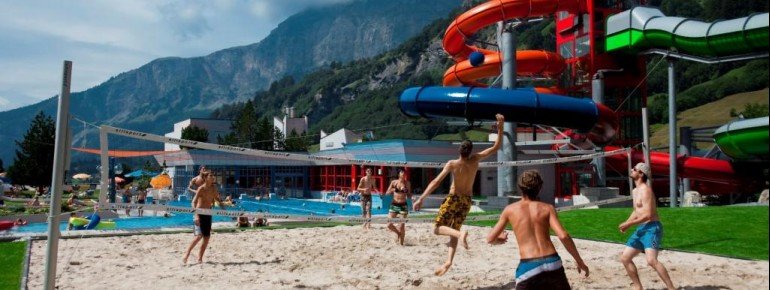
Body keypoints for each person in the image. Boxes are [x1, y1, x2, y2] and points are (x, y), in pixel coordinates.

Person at [413, 113, 505, 276]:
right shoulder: (475, 159)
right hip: (467, 200)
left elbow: (436, 182)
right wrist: (500, 127)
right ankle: (448, 262)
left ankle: (461, 234)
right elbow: (496, 147)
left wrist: (421, 198)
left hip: (454, 198)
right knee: (454, 230)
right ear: (470, 151)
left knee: (437, 229)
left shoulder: (453, 164)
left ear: (459, 150)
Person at [487, 170, 589, 289]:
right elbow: (563, 236)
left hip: (529, 266)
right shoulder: (547, 208)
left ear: (520, 188)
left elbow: (490, 239)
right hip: (552, 262)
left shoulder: (510, 210)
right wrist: (579, 261)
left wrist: (500, 240)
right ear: (540, 187)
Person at [619, 163, 676, 290]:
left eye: (634, 169)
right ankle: (638, 287)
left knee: (651, 261)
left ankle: (671, 288)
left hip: (652, 228)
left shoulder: (646, 190)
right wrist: (627, 222)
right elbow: (637, 210)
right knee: (625, 258)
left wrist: (629, 223)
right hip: (641, 228)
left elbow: (648, 215)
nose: (632, 170)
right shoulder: (635, 191)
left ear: (641, 174)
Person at [183, 172, 223, 265]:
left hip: (208, 213)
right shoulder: (201, 188)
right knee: (199, 236)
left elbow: (217, 199)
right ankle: (187, 254)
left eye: (213, 176)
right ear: (205, 178)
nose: (213, 177)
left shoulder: (213, 188)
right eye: (211, 176)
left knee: (207, 237)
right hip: (199, 213)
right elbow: (193, 202)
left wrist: (224, 209)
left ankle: (200, 258)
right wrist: (196, 215)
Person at [385, 168, 412, 245]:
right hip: (394, 205)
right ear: (399, 174)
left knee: (402, 225)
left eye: (404, 173)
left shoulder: (407, 183)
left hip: (403, 205)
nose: (403, 174)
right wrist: (395, 189)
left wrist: (410, 196)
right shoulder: (394, 182)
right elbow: (387, 193)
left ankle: (401, 244)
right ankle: (398, 233)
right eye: (402, 172)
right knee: (389, 224)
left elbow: (409, 195)